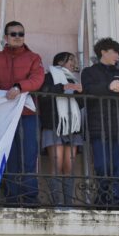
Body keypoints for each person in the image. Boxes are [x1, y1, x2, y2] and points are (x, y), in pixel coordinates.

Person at [0, 21, 45, 205]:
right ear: (6, 38)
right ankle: (11, 198)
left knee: (29, 156)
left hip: (27, 114)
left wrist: (19, 87)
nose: (18, 37)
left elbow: (37, 79)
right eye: (14, 34)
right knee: (6, 156)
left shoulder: (33, 57)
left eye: (21, 34)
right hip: (3, 116)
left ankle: (30, 197)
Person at [80, 37, 119, 206]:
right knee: (101, 165)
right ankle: (103, 197)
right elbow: (88, 91)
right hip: (97, 125)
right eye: (115, 52)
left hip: (118, 126)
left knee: (116, 166)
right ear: (104, 52)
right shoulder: (89, 72)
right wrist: (109, 87)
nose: (118, 56)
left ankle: (114, 200)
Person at [38, 52, 83, 206]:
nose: (73, 63)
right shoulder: (49, 76)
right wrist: (64, 87)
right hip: (54, 125)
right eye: (70, 60)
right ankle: (57, 203)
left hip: (72, 126)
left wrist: (80, 92)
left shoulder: (74, 78)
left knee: (69, 167)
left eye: (74, 61)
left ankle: (68, 204)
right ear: (60, 61)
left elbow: (81, 104)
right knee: (56, 166)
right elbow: (44, 95)